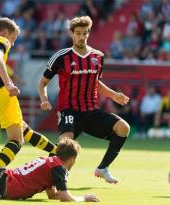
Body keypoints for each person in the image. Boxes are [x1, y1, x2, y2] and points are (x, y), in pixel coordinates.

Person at [38, 16, 130, 184]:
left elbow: (95, 82)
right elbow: (43, 82)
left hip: (90, 111)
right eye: (78, 33)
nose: (81, 37)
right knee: (66, 146)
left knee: (123, 128)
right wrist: (44, 98)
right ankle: (55, 179)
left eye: (85, 33)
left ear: (88, 33)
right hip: (69, 110)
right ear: (71, 34)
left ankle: (102, 168)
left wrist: (114, 95)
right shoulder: (61, 57)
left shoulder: (98, 56)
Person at [0, 17, 56, 168]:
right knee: (16, 139)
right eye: (13, 38)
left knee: (23, 128)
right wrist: (8, 84)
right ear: (5, 32)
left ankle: (56, 151)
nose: (12, 43)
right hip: (0, 92)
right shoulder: (0, 40)